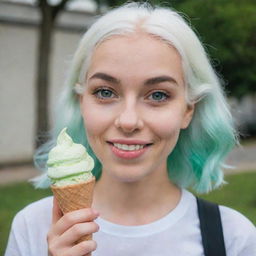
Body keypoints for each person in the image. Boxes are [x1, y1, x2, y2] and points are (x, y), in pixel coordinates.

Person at [5, 2, 256, 256]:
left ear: (189, 110)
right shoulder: (32, 228)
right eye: (105, 92)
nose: (128, 121)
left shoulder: (234, 238)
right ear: (82, 101)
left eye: (158, 95)